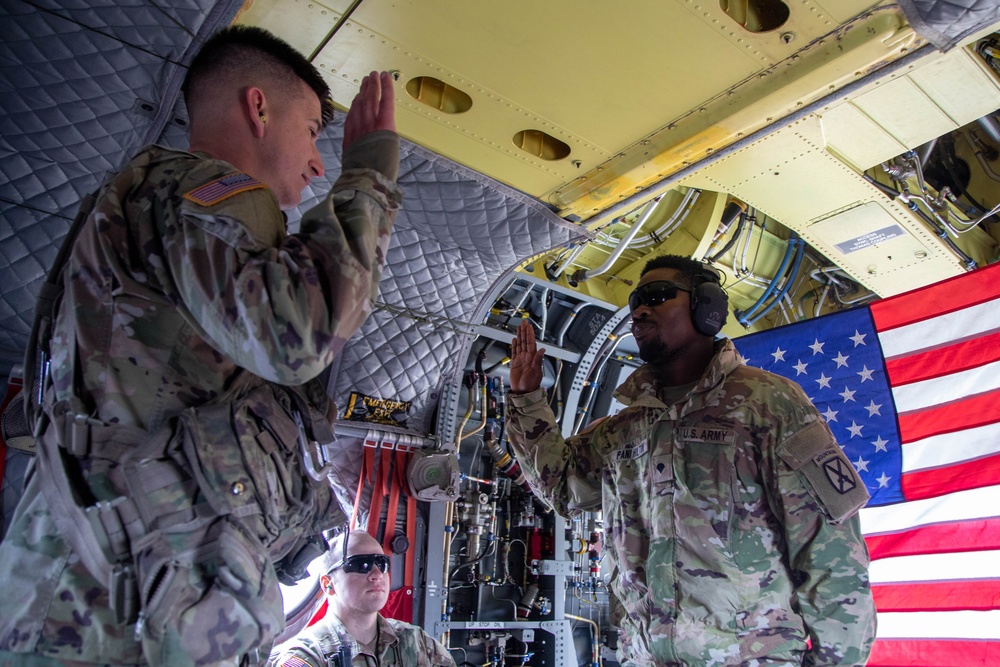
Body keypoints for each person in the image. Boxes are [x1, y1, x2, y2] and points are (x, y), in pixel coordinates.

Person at [0, 25, 400, 667]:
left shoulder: (148, 199)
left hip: (106, 574)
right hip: (115, 594)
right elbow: (296, 334)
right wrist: (369, 178)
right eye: (311, 130)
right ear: (258, 108)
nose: (319, 161)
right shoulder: (204, 193)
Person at [506, 255, 876, 666]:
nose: (640, 309)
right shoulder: (626, 427)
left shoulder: (767, 404)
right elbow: (561, 488)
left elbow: (829, 549)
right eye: (635, 301)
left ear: (707, 308)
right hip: (645, 656)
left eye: (658, 296)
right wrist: (526, 400)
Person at [271, 530, 456, 667]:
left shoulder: (417, 642)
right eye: (361, 564)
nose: (377, 574)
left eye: (382, 563)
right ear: (328, 584)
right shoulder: (306, 655)